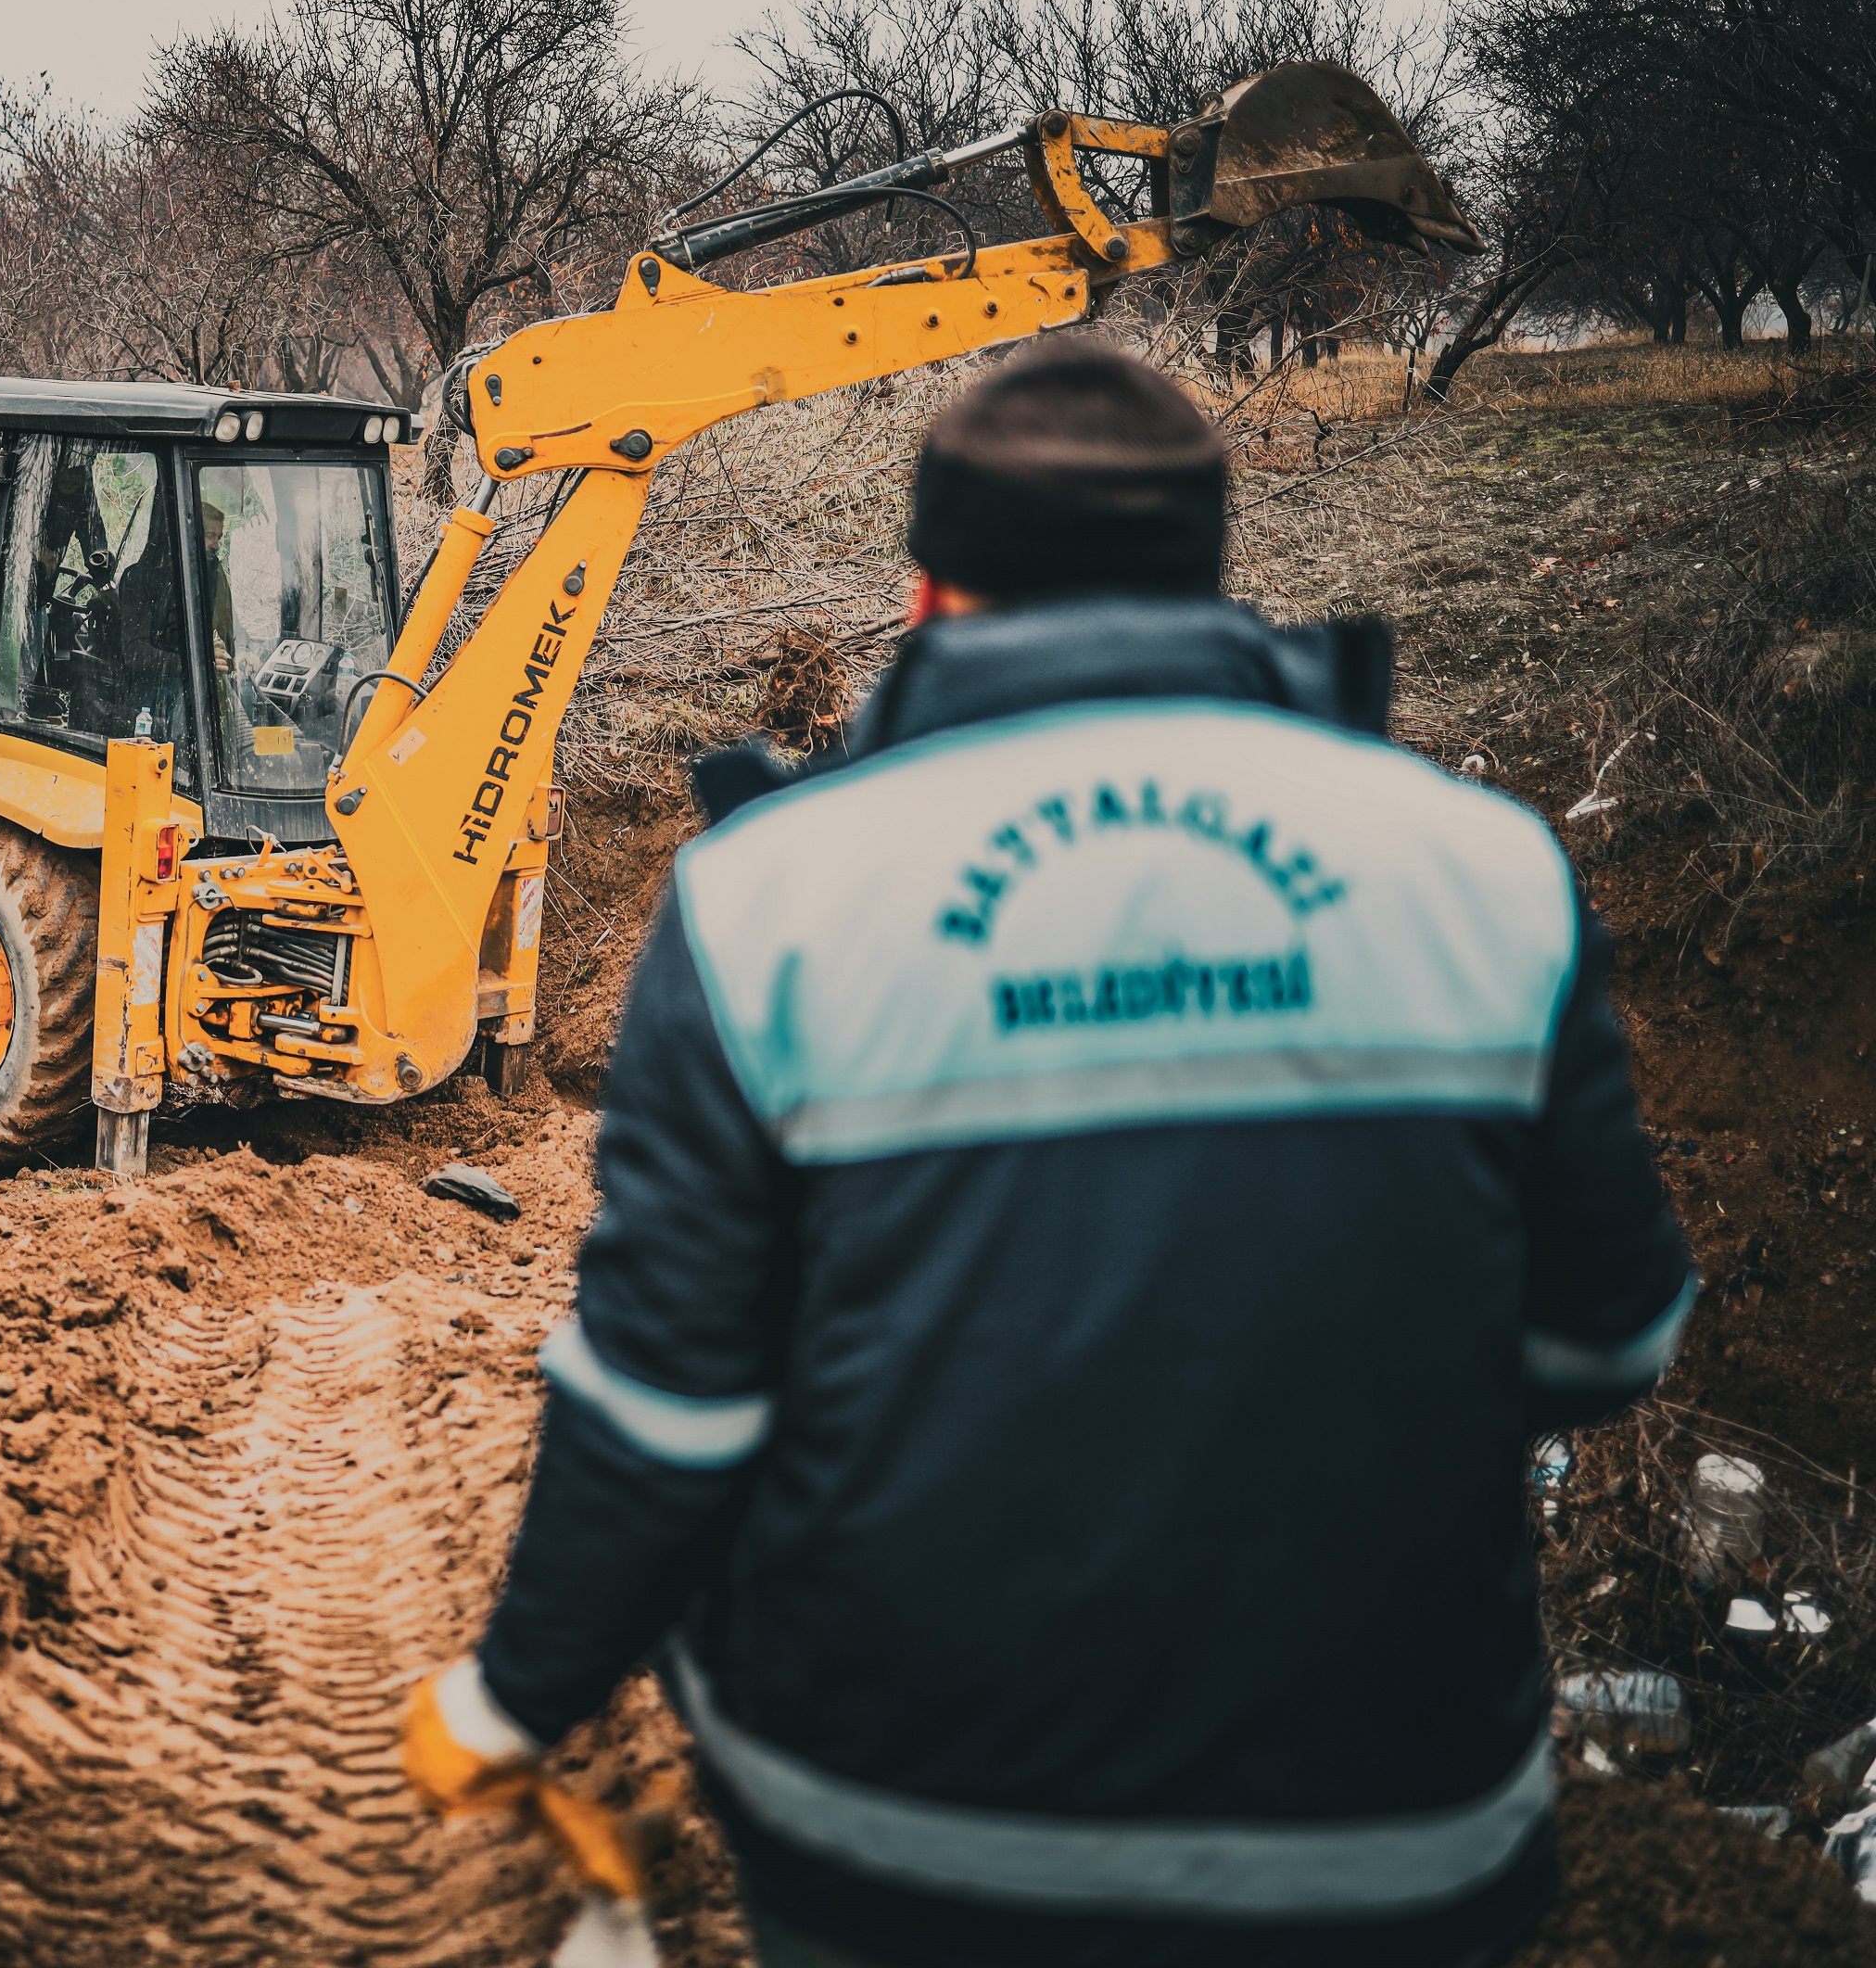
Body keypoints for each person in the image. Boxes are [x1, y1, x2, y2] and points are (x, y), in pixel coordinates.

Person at [399, 344, 1693, 1968]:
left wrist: (520, 1692)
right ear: (1209, 574)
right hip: (1398, 1836)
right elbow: (1611, 1338)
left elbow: (670, 1410)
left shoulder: (766, 901)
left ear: (930, 594)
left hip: (911, 1846)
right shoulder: (1484, 868)